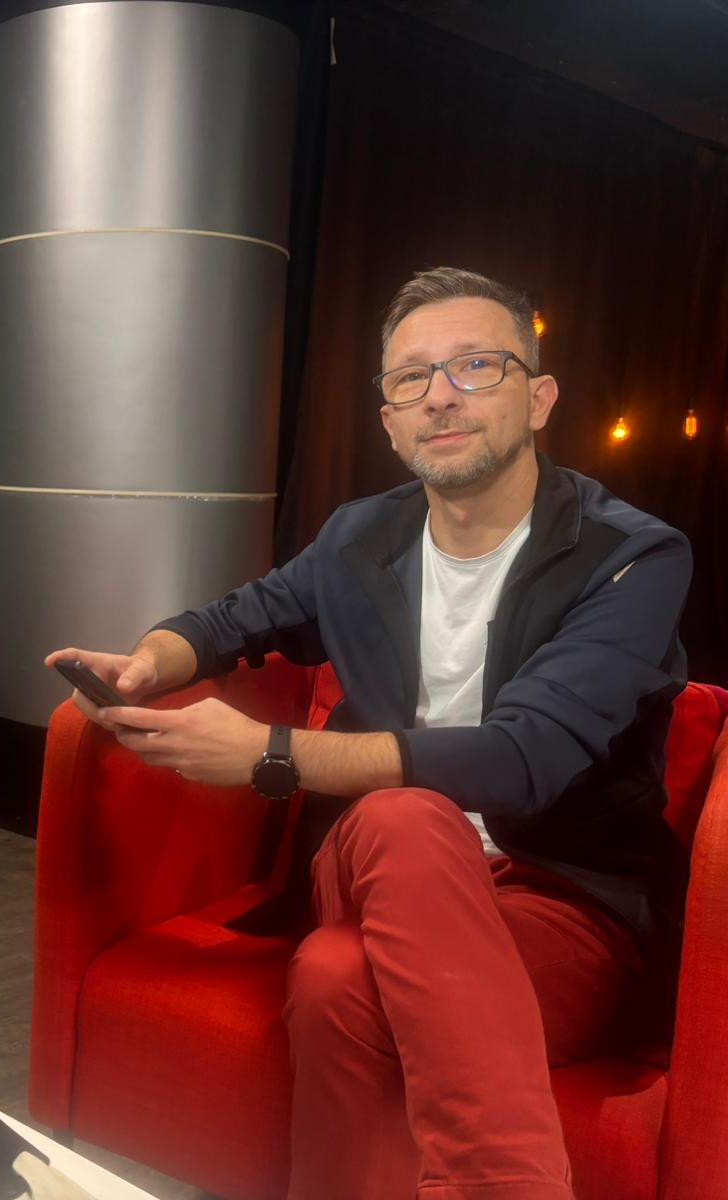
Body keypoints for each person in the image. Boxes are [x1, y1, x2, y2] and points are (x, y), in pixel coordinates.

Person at [46, 267, 691, 1200]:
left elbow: (526, 758)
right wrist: (150, 661)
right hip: (377, 865)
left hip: (564, 894)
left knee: (335, 976)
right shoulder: (359, 537)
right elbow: (234, 619)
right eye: (412, 377)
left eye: (477, 365)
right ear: (389, 420)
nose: (441, 394)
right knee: (402, 818)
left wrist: (272, 756)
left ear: (540, 398)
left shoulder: (631, 555)